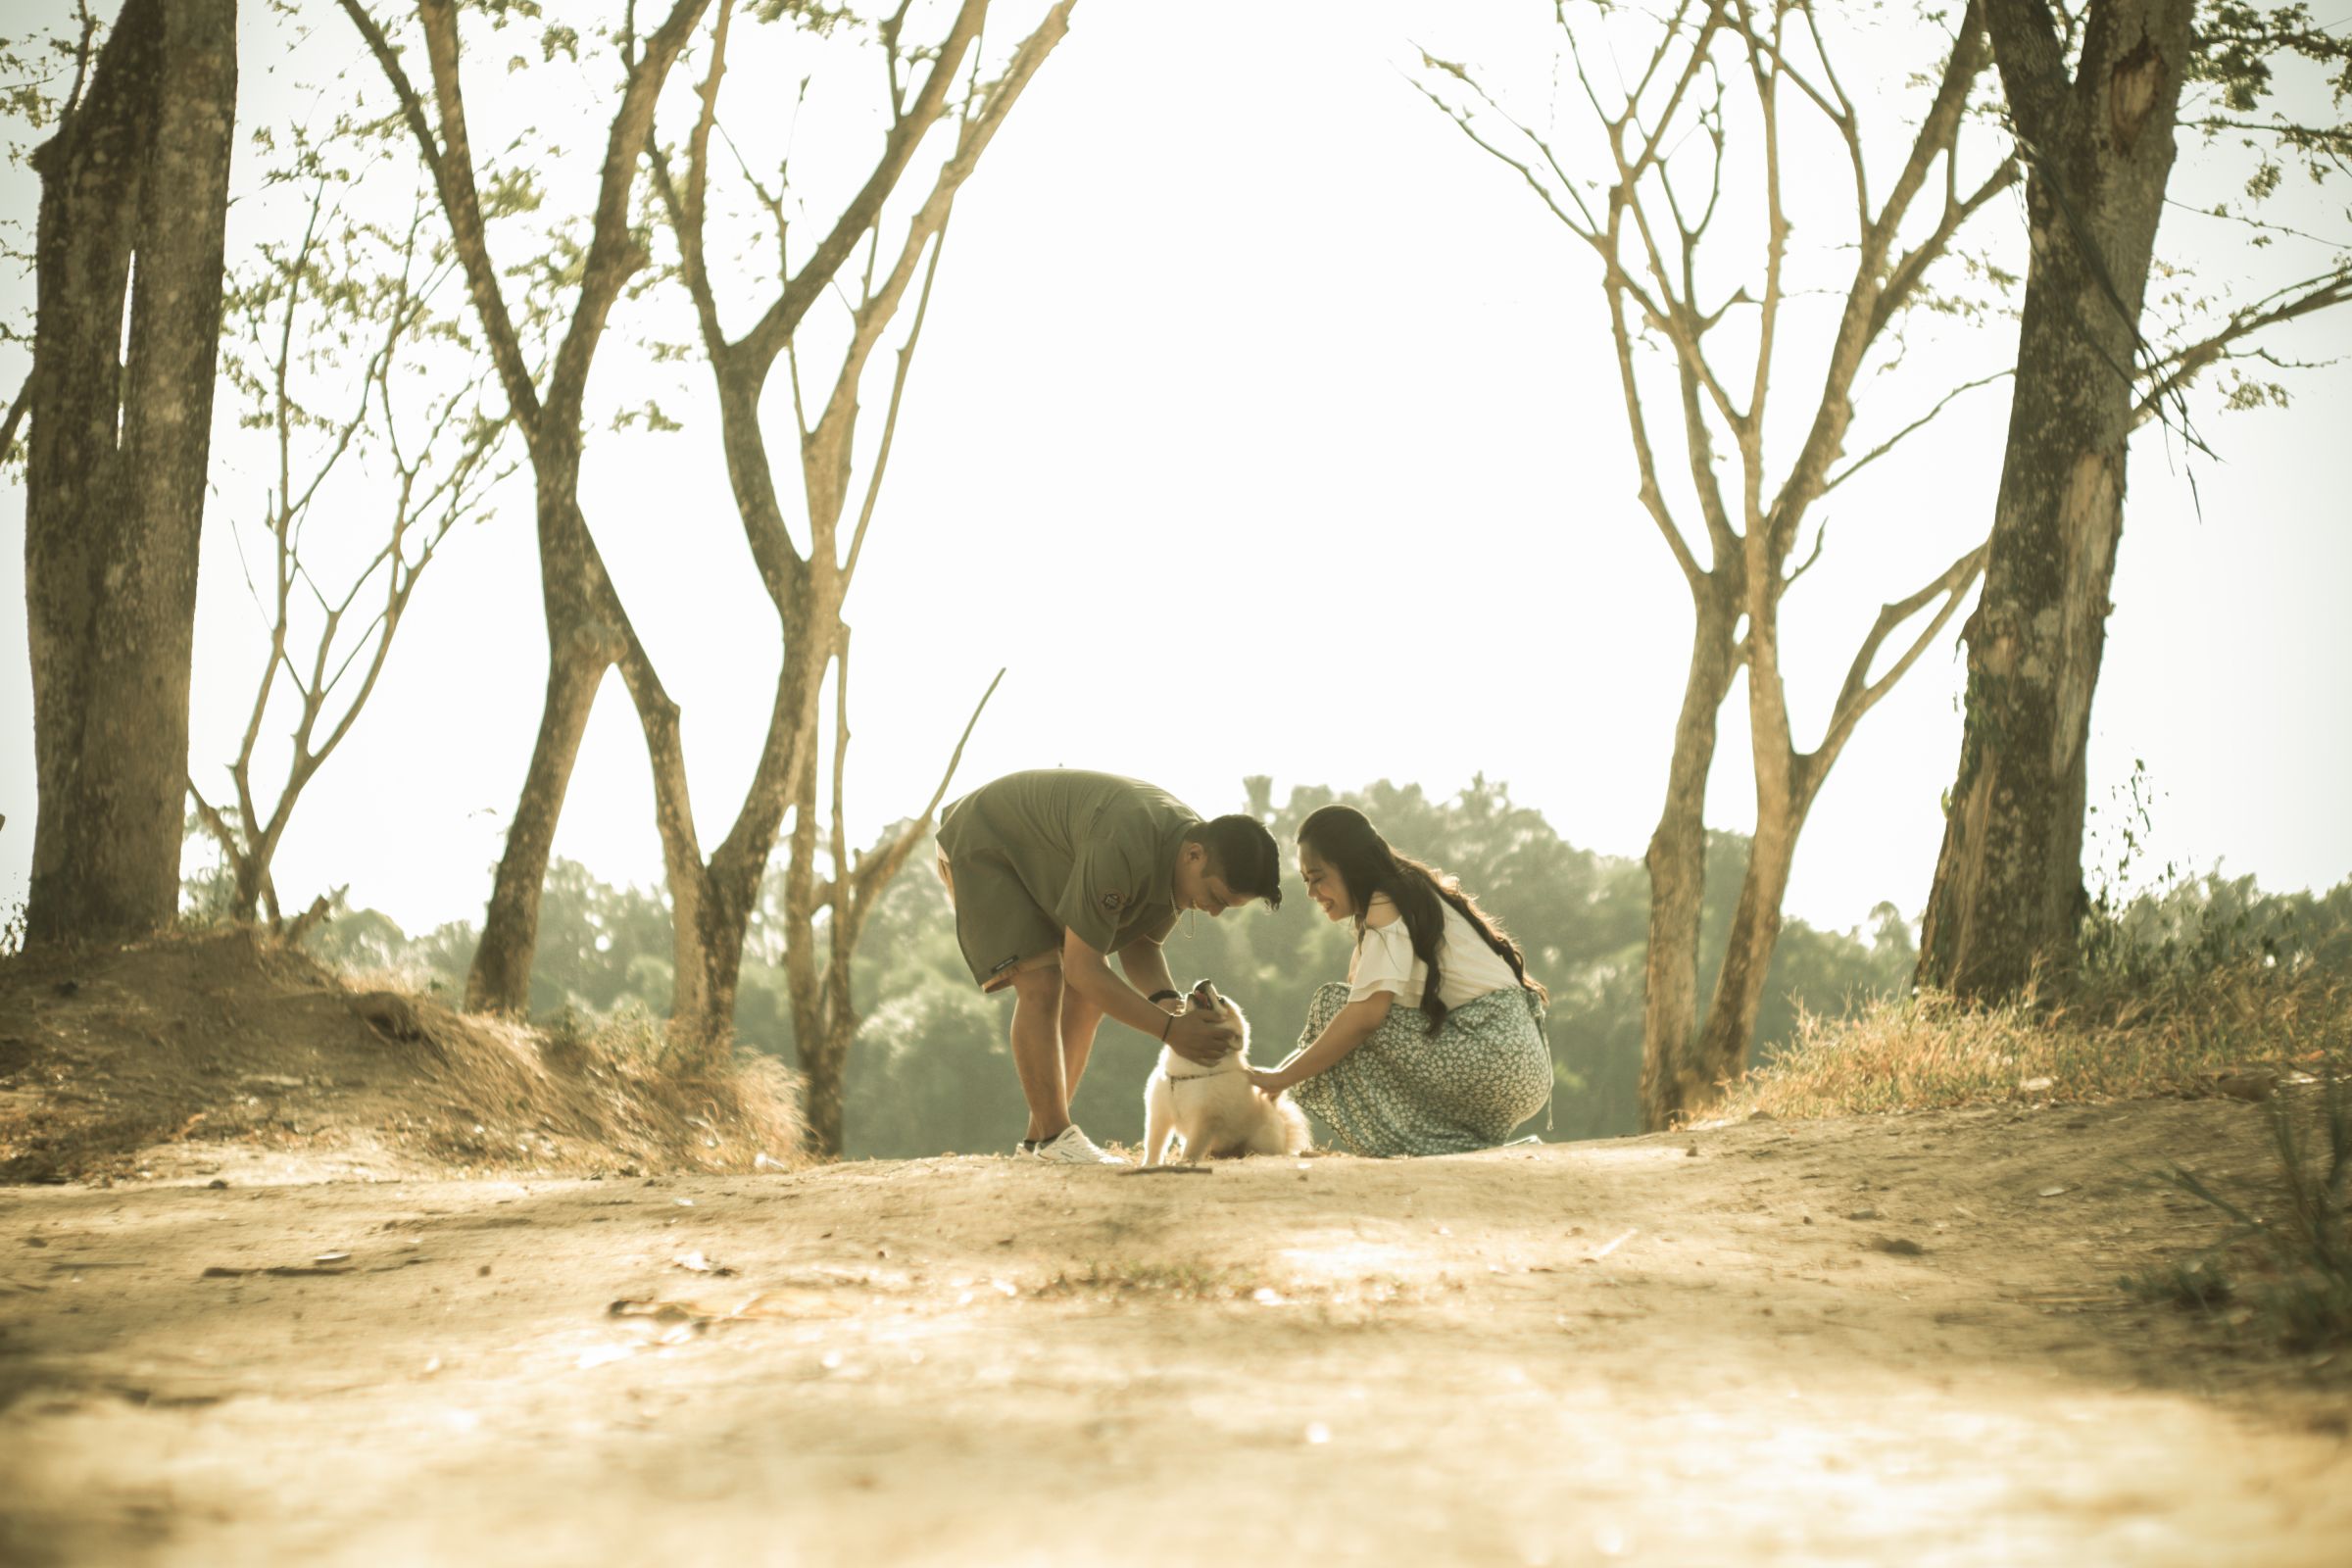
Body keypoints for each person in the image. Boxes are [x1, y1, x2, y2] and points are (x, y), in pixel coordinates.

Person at [934, 769, 1285, 1163]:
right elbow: (1082, 969)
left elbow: (1141, 946)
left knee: (1087, 998)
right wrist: (1170, 1031)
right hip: (983, 841)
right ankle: (1054, 1138)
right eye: (1215, 896)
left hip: (1039, 860)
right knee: (1043, 983)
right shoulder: (1125, 844)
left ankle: (1039, 1146)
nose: (1214, 912)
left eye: (1226, 906)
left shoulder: (1182, 859)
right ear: (1193, 855)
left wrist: (1170, 1007)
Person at [1249, 804, 1551, 1156]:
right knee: (1342, 1015)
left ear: (1351, 866)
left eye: (1318, 878)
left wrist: (1280, 1079)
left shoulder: (1386, 902)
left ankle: (1429, 1146)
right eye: (1306, 881)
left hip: (1493, 1055)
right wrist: (1277, 1078)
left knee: (1335, 1006)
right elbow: (1349, 1025)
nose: (1312, 893)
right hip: (1521, 1068)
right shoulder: (1408, 894)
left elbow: (1363, 1018)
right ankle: (1461, 1147)